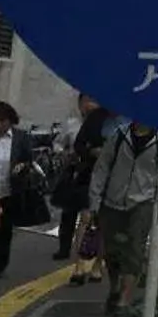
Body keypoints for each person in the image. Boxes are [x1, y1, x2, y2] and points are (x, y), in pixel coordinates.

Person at [87, 115, 158, 317]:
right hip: (112, 200)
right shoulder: (120, 135)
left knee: (134, 249)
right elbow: (102, 167)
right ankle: (114, 287)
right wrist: (94, 200)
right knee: (112, 251)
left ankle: (125, 298)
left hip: (142, 202)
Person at [0, 101, 36, 280]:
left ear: (11, 121)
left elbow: (29, 159)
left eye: (3, 121)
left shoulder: (20, 138)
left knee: (3, 231)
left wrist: (21, 167)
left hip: (8, 191)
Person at [53, 96, 110, 265]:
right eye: (86, 101)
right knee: (69, 212)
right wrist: (65, 153)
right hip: (75, 172)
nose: (90, 104)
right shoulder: (72, 124)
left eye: (93, 100)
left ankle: (91, 256)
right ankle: (66, 249)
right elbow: (58, 144)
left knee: (90, 215)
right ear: (79, 104)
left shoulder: (105, 123)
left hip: (97, 172)